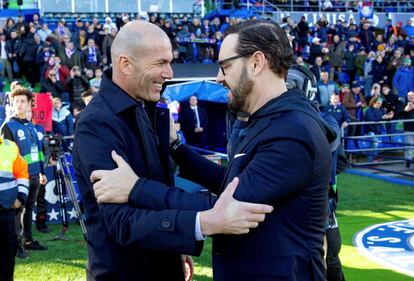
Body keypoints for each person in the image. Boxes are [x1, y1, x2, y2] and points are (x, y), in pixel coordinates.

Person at [91, 20, 335, 281]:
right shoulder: (270, 120)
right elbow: (235, 183)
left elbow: (228, 206)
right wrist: (178, 149)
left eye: (225, 66)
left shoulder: (293, 131)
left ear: (256, 62)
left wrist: (136, 188)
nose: (219, 77)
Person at [72, 20, 273, 281]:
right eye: (160, 63)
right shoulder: (96, 124)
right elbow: (121, 222)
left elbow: (156, 189)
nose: (169, 72)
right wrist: (203, 222)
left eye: (170, 62)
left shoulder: (148, 108)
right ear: (125, 64)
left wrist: (174, 246)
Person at [0, 87, 48, 257]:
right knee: (16, 211)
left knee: (29, 210)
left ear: (29, 105)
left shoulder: (31, 125)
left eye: (22, 101)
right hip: (18, 178)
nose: (19, 104)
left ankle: (28, 240)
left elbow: (38, 151)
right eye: (16, 101)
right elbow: (5, 155)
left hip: (34, 175)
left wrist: (42, 172)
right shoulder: (8, 126)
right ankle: (15, 245)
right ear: (12, 104)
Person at [0, 136, 29, 281]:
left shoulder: (10, 146)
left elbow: (22, 173)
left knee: (8, 253)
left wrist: (21, 198)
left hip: (6, 212)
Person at [403, 91, 414, 168]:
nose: (410, 97)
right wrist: (406, 110)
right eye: (408, 96)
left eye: (412, 96)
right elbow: (400, 113)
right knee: (408, 146)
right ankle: (408, 161)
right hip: (408, 128)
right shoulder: (404, 104)